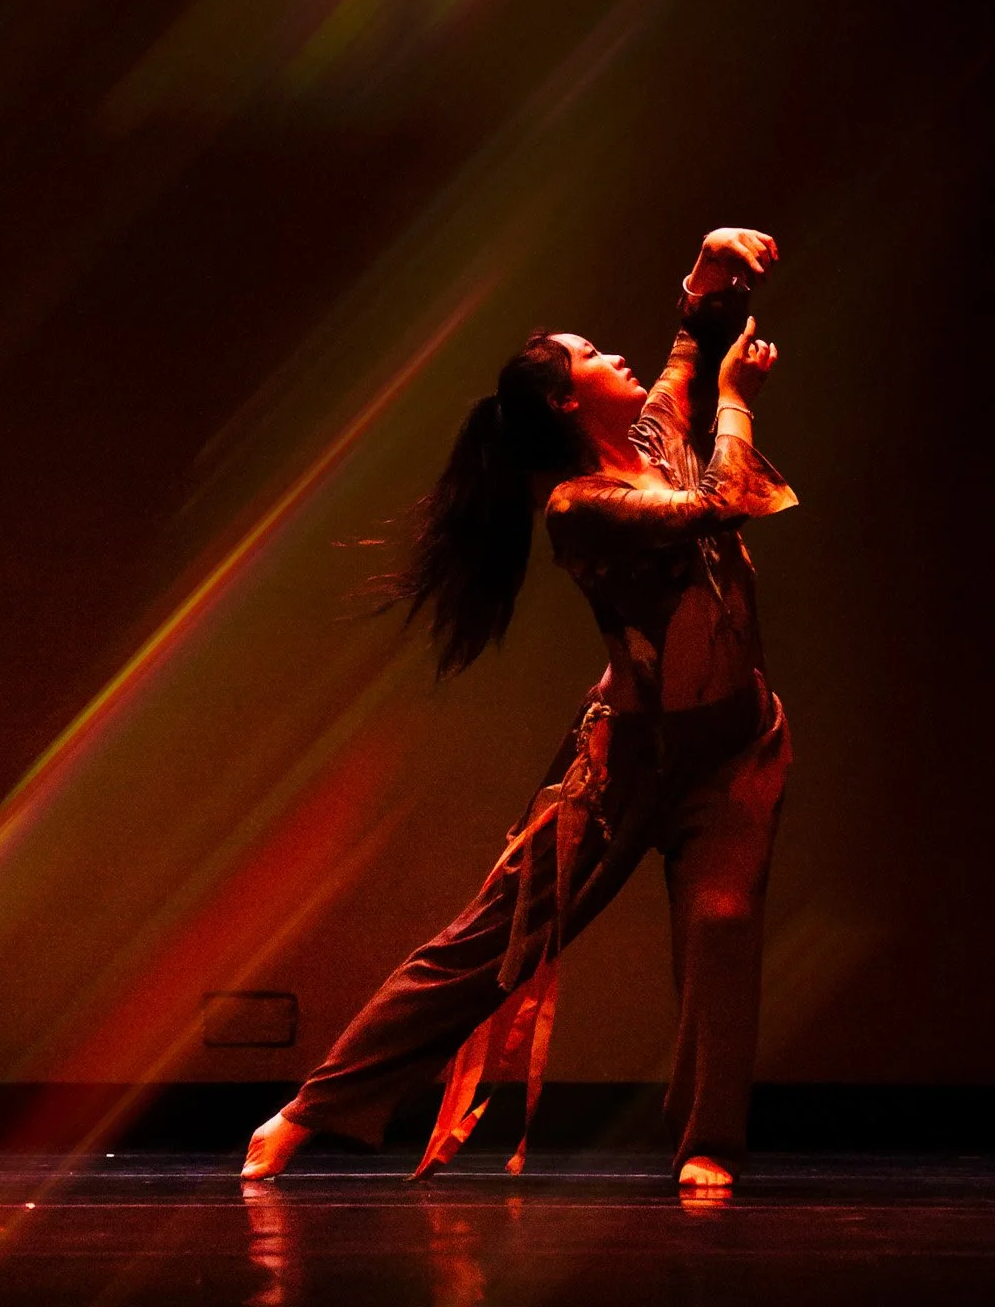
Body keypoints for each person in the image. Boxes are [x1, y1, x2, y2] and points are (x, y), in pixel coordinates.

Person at [241, 227, 797, 1192]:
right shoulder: (580, 504)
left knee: (722, 927)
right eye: (589, 356)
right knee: (493, 939)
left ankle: (709, 1141)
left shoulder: (656, 435)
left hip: (739, 746)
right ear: (564, 400)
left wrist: (712, 261)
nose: (612, 355)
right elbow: (724, 502)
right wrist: (738, 405)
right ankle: (309, 1112)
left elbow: (688, 342)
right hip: (630, 760)